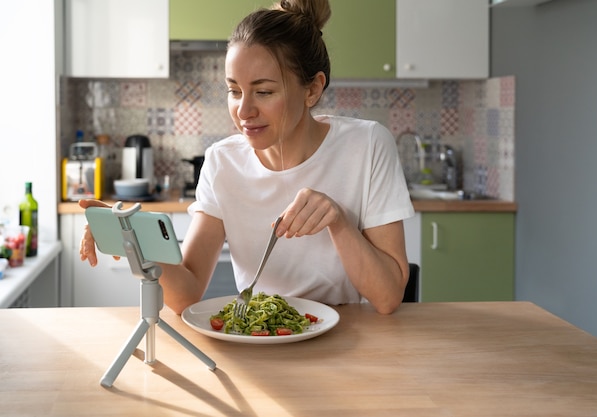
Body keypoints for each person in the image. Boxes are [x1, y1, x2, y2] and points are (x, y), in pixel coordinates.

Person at [79, 0, 415, 315]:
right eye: (234, 91)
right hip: (259, 339)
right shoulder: (222, 163)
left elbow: (387, 298)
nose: (244, 111)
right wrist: (132, 240)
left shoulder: (367, 145)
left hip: (349, 340)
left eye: (264, 92)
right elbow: (187, 293)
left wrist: (339, 221)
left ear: (312, 89)